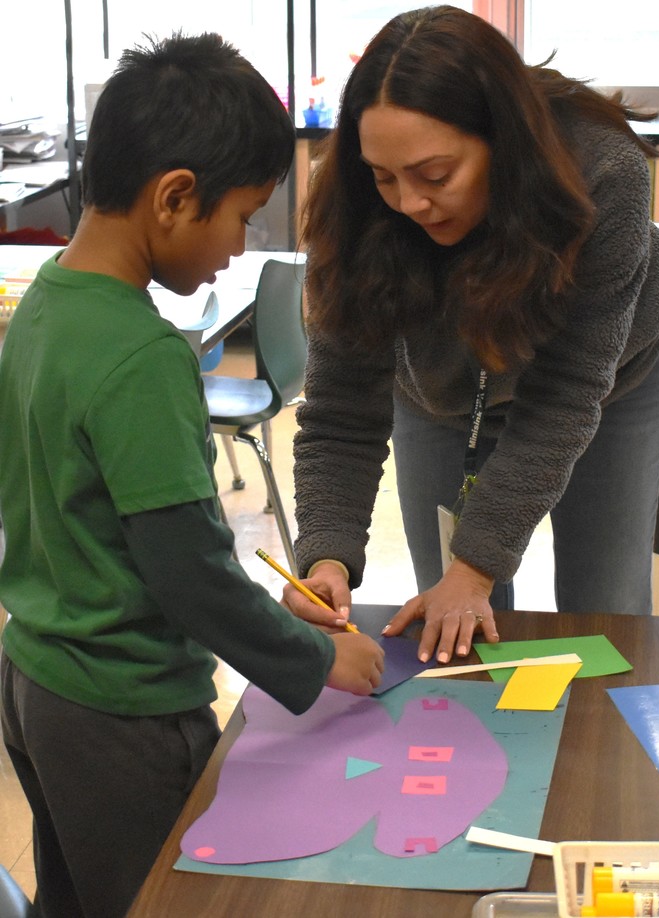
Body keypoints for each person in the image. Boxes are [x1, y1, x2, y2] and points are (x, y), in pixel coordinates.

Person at [0, 34, 384, 918]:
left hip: (34, 683)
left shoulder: (46, 303)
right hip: (122, 712)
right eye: (242, 215)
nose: (239, 243)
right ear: (175, 196)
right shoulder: (141, 355)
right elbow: (193, 579)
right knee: (168, 904)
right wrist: (320, 654)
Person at [287, 5, 659, 665]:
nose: (410, 203)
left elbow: (564, 394)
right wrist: (326, 552)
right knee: (454, 620)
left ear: (503, 143)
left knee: (605, 604)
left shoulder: (602, 174)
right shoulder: (353, 204)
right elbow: (338, 410)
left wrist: (478, 564)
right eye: (386, 178)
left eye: (435, 176)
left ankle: (602, 758)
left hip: (609, 385)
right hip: (442, 393)